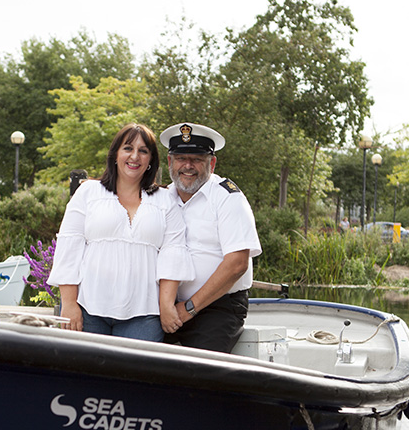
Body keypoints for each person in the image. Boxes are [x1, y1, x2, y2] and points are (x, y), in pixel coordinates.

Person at [48, 123, 193, 342]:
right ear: (115, 154)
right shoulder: (88, 192)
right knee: (85, 376)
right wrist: (69, 304)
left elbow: (173, 255)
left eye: (143, 151)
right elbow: (70, 248)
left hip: (144, 315)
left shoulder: (165, 201)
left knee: (133, 376)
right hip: (88, 309)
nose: (135, 156)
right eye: (128, 148)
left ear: (151, 160)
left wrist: (166, 306)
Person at [160, 121, 262, 353]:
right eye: (180, 158)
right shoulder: (161, 198)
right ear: (170, 162)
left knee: (200, 369)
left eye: (196, 159)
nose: (188, 166)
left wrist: (186, 310)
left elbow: (237, 264)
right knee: (136, 359)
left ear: (212, 163)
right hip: (168, 306)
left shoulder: (228, 198)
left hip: (218, 307)